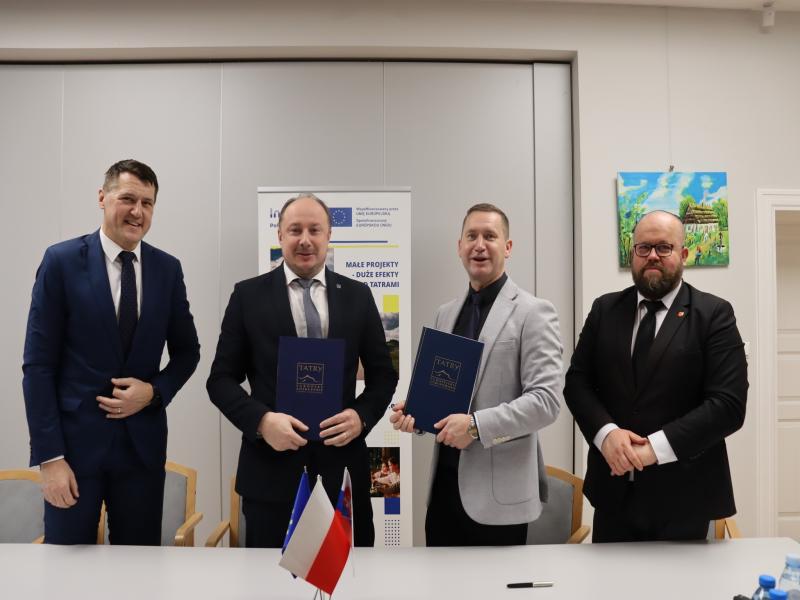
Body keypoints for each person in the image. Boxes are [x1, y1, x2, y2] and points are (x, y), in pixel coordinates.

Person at [22, 159, 200, 545]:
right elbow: (38, 366)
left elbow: (188, 352)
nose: (138, 211)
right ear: (102, 197)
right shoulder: (61, 262)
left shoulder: (167, 270)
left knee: (137, 568)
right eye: (128, 199)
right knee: (66, 568)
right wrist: (50, 459)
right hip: (72, 454)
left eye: (147, 203)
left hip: (141, 453)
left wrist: (153, 392)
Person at [207, 193, 398, 548]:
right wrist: (262, 422)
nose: (305, 240)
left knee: (349, 576)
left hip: (342, 472)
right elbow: (220, 380)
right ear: (280, 235)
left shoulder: (358, 296)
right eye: (295, 230)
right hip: (270, 474)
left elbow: (384, 375)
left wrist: (361, 417)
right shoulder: (247, 296)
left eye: (315, 230)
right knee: (269, 578)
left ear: (329, 236)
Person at [564, 210, 747, 543]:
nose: (652, 256)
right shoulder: (604, 310)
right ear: (632, 253)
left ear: (684, 254)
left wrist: (652, 449)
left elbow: (728, 405)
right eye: (644, 247)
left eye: (664, 247)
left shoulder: (714, 314)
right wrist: (607, 435)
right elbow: (577, 383)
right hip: (613, 495)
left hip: (685, 500)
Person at [391, 203, 562, 546]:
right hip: (443, 495)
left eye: (490, 236)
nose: (479, 245)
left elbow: (545, 402)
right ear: (460, 246)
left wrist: (475, 426)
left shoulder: (534, 312)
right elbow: (447, 395)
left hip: (499, 502)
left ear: (507, 247)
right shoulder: (445, 313)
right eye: (471, 236)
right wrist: (418, 413)